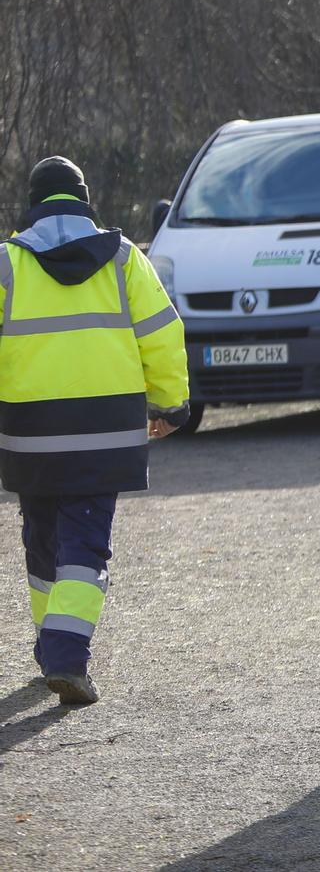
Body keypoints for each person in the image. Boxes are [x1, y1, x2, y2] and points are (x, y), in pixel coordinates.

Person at [0, 157, 188, 706]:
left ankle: (51, 646)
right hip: (104, 428)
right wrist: (170, 404)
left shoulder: (8, 263)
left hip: (28, 430)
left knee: (41, 540)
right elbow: (160, 331)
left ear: (33, 203)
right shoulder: (124, 258)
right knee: (84, 544)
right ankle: (64, 653)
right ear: (84, 199)